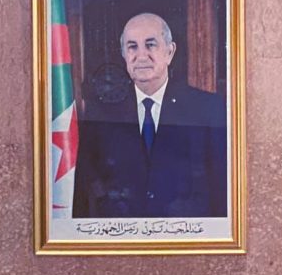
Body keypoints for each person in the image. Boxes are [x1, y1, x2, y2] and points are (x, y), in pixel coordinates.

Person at [72, 12, 227, 219]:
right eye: (132, 47)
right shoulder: (100, 113)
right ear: (124, 55)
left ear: (170, 52)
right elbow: (88, 187)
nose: (141, 56)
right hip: (122, 232)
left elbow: (221, 186)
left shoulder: (207, 108)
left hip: (186, 232)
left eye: (150, 45)